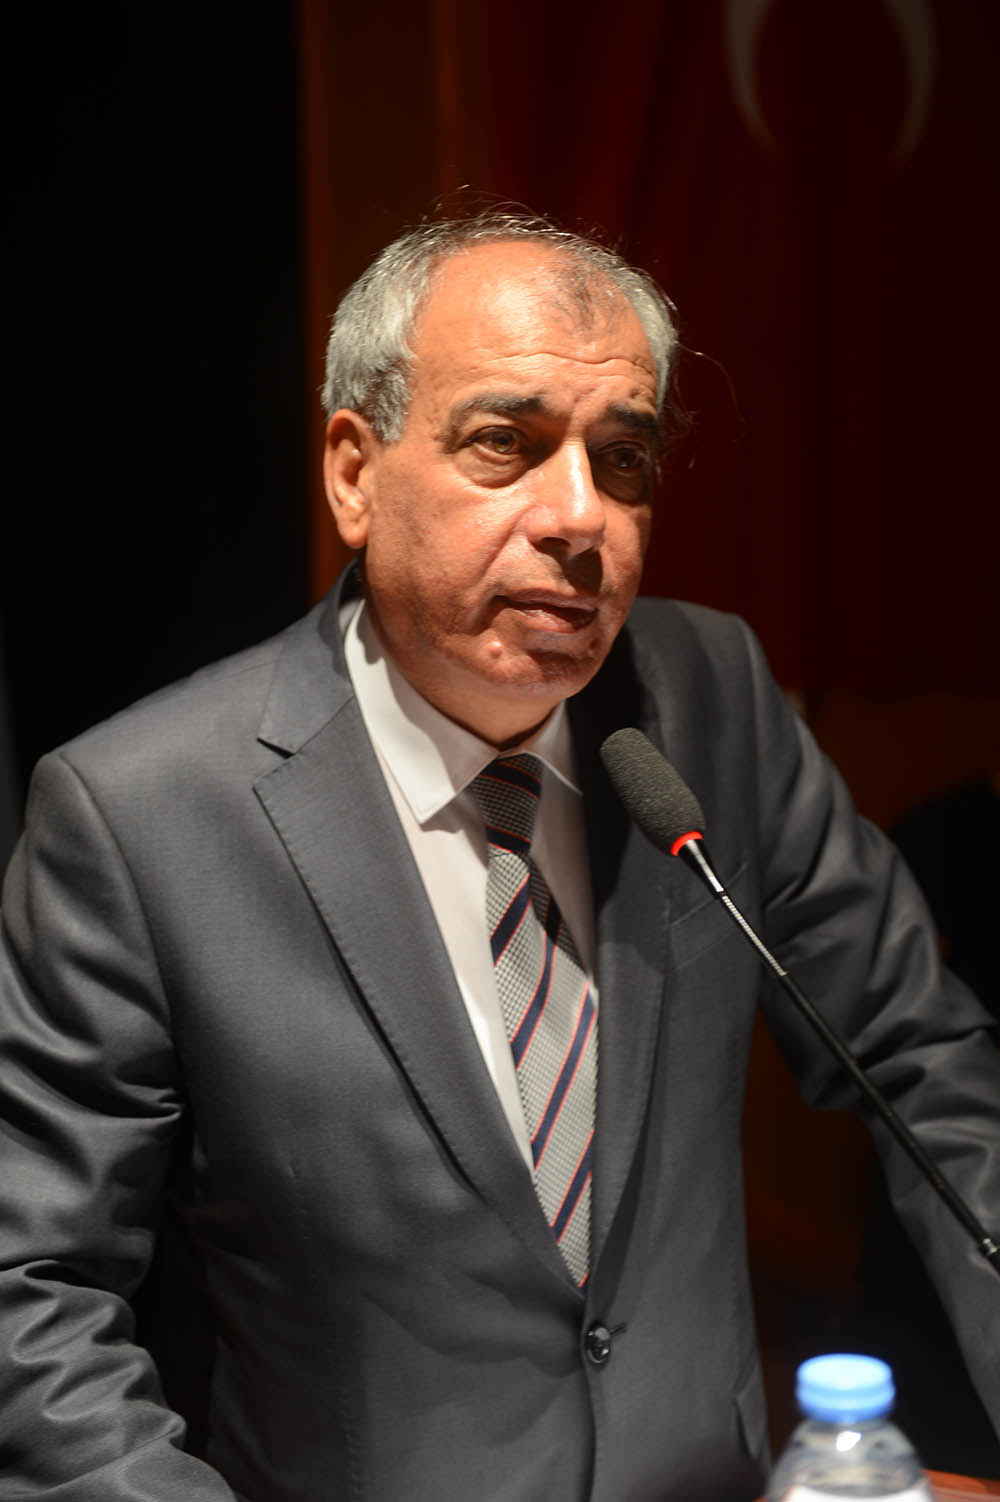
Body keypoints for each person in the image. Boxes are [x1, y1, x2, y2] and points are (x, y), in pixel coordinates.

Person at [1, 213, 997, 1502]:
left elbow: (927, 1064)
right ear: (355, 475)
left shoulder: (712, 697)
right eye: (504, 443)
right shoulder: (141, 811)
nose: (580, 517)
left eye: (623, 458)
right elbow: (34, 1292)